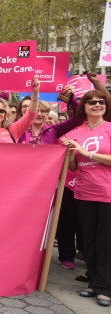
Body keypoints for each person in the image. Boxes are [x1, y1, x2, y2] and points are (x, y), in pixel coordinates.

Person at [60, 90, 111, 307]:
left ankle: (104, 287)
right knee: (88, 240)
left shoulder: (109, 128)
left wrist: (87, 153)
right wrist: (70, 154)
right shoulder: (75, 132)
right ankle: (92, 281)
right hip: (83, 193)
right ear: (84, 108)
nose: (97, 105)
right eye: (91, 102)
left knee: (105, 242)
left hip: (107, 194)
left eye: (101, 102)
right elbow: (73, 167)